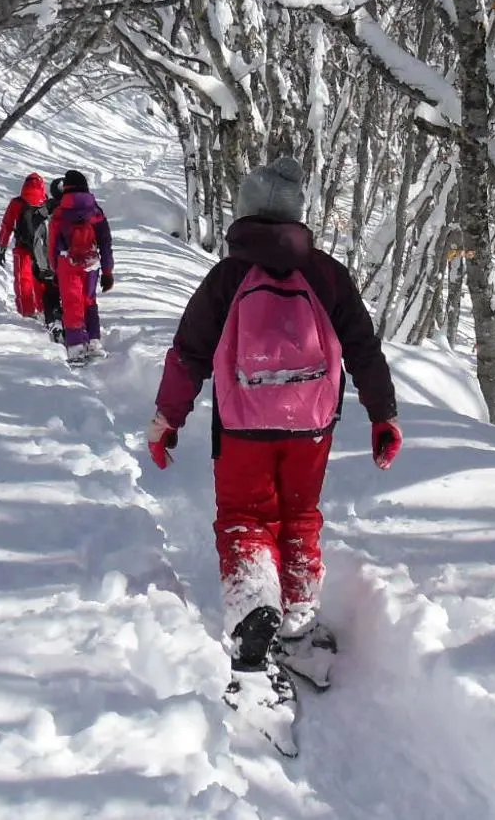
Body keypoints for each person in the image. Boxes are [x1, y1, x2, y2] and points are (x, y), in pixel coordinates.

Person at [147, 156, 401, 682]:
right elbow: (364, 349)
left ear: (244, 212)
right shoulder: (326, 274)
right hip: (311, 425)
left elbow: (188, 352)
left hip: (242, 425)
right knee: (300, 515)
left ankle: (254, 605)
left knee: (245, 515)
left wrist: (167, 418)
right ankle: (299, 624)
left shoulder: (228, 276)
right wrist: (384, 415)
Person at [48, 170, 114, 365]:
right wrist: (108, 271)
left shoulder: (60, 212)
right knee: (89, 301)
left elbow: (52, 244)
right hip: (91, 262)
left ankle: (76, 346)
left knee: (71, 303)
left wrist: (54, 269)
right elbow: (105, 242)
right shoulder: (95, 211)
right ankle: (94, 342)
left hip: (66, 262)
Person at [0, 173, 49, 318]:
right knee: (41, 280)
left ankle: (26, 312)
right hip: (42, 249)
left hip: (21, 247)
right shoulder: (46, 202)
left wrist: (2, 246)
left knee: (23, 280)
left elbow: (7, 225)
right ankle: (45, 310)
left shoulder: (17, 203)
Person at [33, 177, 65, 343]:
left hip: (50, 265)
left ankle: (52, 321)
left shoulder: (45, 214)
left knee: (50, 294)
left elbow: (38, 242)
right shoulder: (77, 211)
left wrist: (42, 265)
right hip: (72, 263)